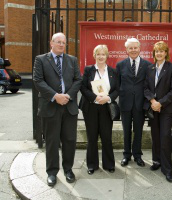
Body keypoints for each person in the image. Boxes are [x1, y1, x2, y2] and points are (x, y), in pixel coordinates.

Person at [33, 32, 82, 186]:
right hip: (50, 106)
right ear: (51, 43)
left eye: (63, 42)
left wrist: (67, 96)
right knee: (52, 141)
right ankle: (52, 172)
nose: (61, 44)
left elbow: (78, 80)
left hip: (69, 106)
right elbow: (38, 80)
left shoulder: (72, 60)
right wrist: (55, 96)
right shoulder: (41, 60)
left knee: (69, 140)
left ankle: (68, 169)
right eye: (58, 42)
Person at [79, 45, 119, 174]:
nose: (101, 56)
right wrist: (95, 98)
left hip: (106, 107)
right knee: (92, 137)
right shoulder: (88, 70)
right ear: (94, 55)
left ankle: (109, 164)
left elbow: (117, 89)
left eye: (103, 54)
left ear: (107, 56)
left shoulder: (113, 72)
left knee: (106, 136)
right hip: (90, 107)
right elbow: (83, 88)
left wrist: (108, 98)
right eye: (98, 54)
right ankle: (92, 165)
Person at [144, 41, 172, 182]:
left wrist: (161, 103)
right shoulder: (150, 68)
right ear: (154, 53)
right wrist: (153, 101)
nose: (159, 53)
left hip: (166, 109)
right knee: (155, 136)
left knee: (165, 137)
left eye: (161, 51)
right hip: (153, 108)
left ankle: (167, 169)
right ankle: (156, 161)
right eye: (156, 51)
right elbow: (146, 88)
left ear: (166, 53)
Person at [116, 38, 151, 167]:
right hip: (125, 104)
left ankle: (137, 155)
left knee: (138, 130)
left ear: (139, 48)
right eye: (130, 48)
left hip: (140, 104)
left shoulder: (147, 65)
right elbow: (117, 84)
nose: (133, 50)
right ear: (126, 50)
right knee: (126, 131)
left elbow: (148, 85)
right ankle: (126, 155)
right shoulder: (120, 65)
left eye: (135, 47)